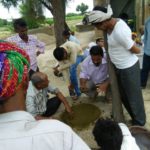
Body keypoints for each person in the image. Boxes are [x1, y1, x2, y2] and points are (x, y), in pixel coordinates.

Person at [0, 41, 91, 150]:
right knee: (46, 116)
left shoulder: (43, 83)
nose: (49, 82)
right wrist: (49, 120)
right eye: (46, 81)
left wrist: (67, 107)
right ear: (26, 82)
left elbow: (58, 92)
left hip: (43, 107)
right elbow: (33, 116)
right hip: (36, 114)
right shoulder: (58, 130)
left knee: (58, 98)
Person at [87, 5, 146, 126]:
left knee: (134, 98)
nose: (97, 28)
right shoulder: (111, 26)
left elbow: (136, 50)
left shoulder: (119, 31)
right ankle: (135, 119)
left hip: (128, 68)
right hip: (119, 68)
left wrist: (126, 47)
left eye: (97, 24)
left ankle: (140, 123)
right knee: (124, 96)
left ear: (104, 20)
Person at [141, 17, 150, 88]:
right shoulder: (147, 21)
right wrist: (145, 45)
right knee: (145, 68)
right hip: (148, 50)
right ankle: (142, 84)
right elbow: (146, 35)